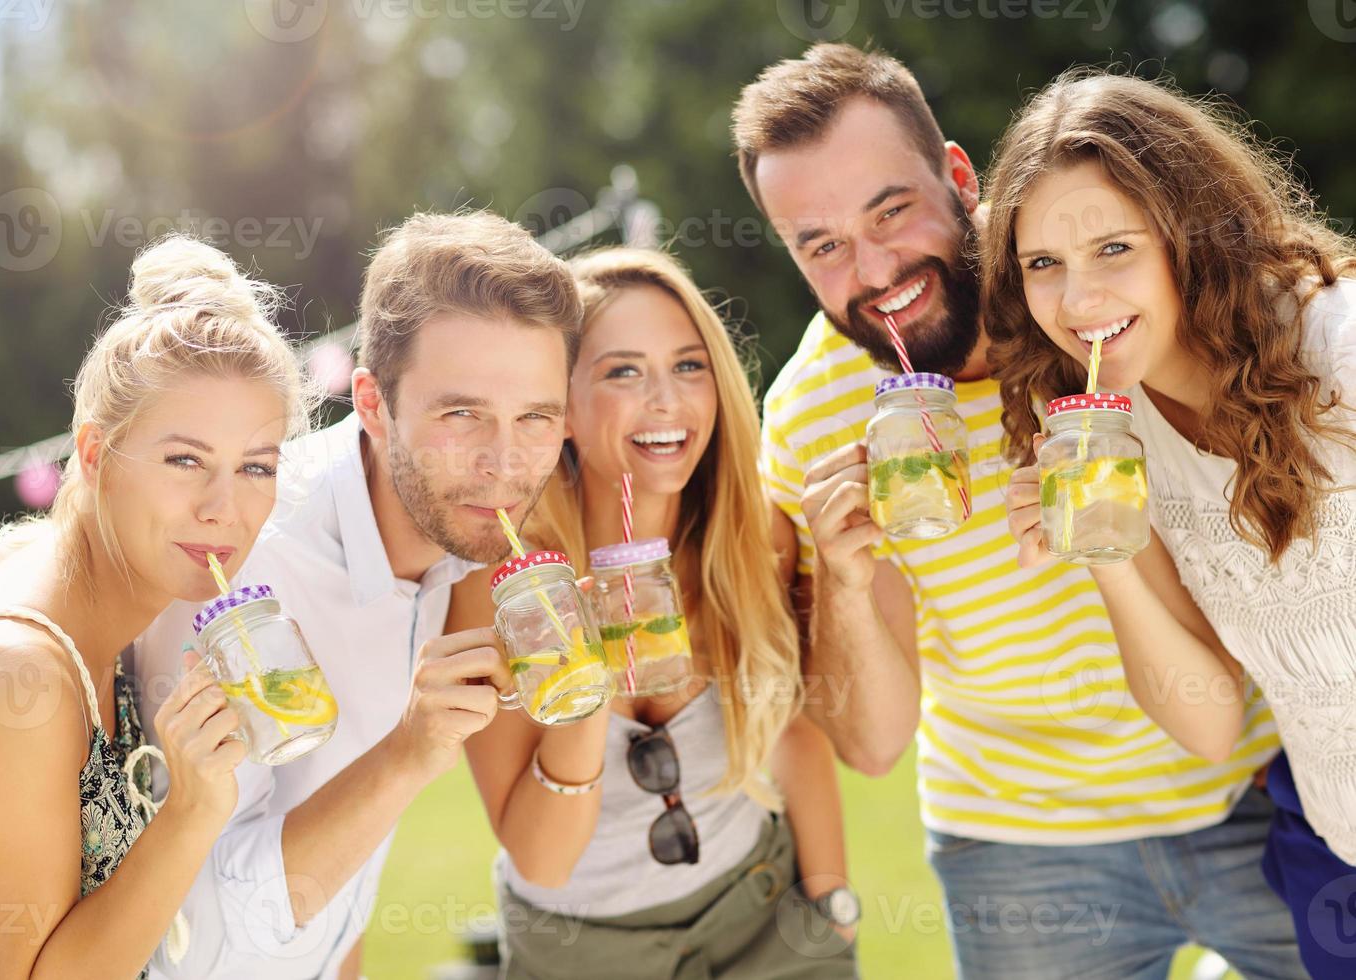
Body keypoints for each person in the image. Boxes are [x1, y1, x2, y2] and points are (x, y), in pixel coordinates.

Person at [730, 43, 1305, 978]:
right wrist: (841, 579)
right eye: (822, 245)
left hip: (1252, 785)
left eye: (892, 212)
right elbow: (872, 746)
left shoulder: (1102, 306)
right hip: (1018, 845)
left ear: (958, 177)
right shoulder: (807, 417)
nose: (875, 271)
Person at [132, 210, 582, 980]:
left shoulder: (453, 541)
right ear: (372, 403)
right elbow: (207, 927)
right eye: (461, 414)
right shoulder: (240, 562)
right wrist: (409, 754)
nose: (503, 464)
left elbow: (343, 877)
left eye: (535, 418)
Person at [990, 69, 1356, 978]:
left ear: (1194, 236)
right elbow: (1205, 723)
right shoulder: (1110, 429)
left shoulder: (1339, 346)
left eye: (1113, 248)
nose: (1078, 304)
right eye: (1044, 264)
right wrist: (1104, 547)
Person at [0, 235, 310, 979]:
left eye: (256, 467)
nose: (225, 508)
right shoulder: (18, 672)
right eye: (185, 460)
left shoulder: (49, 564)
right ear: (94, 453)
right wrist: (194, 809)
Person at [446, 246, 858, 979]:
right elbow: (541, 858)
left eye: (689, 365)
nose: (666, 400)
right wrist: (579, 685)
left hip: (763, 916)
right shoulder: (503, 586)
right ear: (561, 411)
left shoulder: (752, 535)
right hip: (584, 951)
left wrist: (831, 909)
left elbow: (793, 728)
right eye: (623, 371)